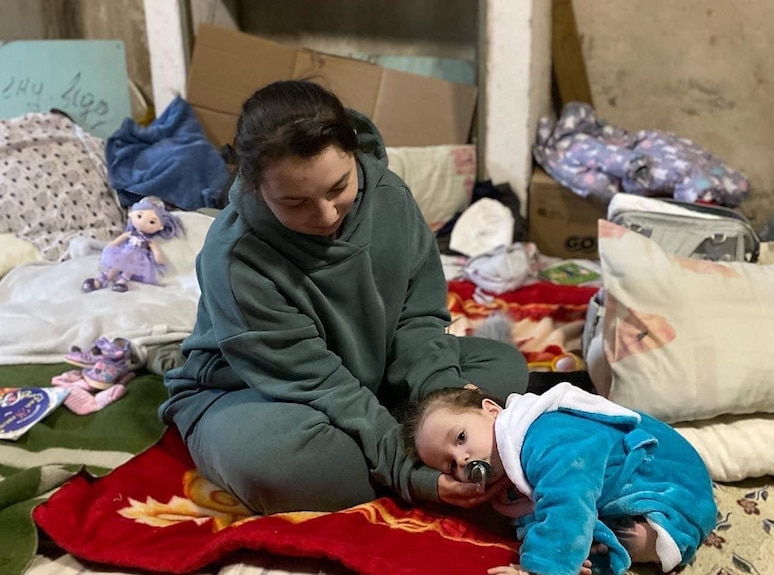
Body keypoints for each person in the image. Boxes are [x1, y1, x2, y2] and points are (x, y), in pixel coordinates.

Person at [158, 79, 529, 515]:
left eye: (338, 188)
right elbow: (320, 385)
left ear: (353, 153)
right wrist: (414, 475)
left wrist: (448, 407)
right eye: (295, 202)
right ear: (257, 188)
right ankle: (390, 449)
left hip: (373, 371)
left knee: (505, 367)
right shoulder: (235, 257)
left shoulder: (390, 198)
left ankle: (394, 442)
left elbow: (419, 323)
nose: (326, 215)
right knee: (289, 466)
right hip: (261, 393)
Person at [401, 383, 717, 575]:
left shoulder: (543, 435)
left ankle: (649, 536)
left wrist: (546, 565)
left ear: (492, 411)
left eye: (460, 438)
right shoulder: (506, 471)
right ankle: (592, 544)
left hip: (668, 480)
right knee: (554, 527)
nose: (462, 460)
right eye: (450, 466)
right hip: (607, 485)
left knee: (632, 537)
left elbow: (569, 494)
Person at [82, 195, 184, 293]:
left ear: (160, 226)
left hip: (139, 257)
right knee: (119, 263)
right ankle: (104, 277)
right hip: (125, 251)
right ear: (131, 215)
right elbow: (117, 241)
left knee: (132, 266)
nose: (143, 223)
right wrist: (110, 247)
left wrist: (158, 258)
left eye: (152, 222)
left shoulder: (149, 241)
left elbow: (157, 253)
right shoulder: (130, 234)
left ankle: (123, 280)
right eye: (139, 216)